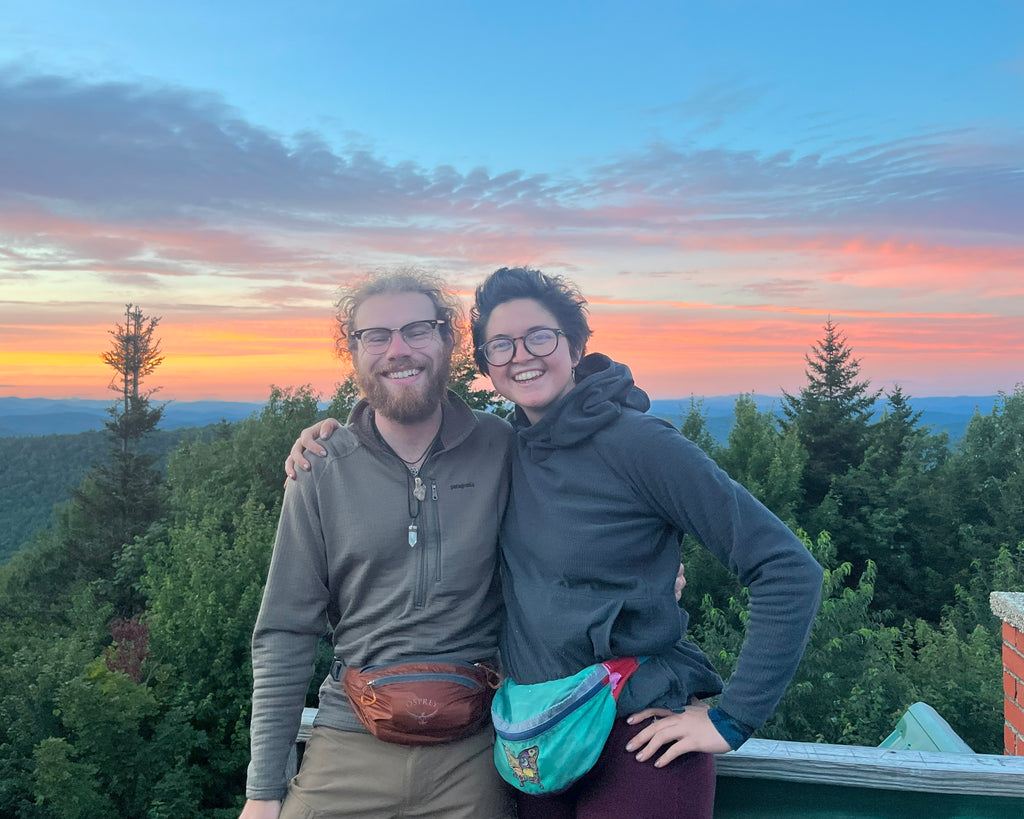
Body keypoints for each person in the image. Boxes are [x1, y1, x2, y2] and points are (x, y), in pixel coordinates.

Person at [289, 267, 823, 818]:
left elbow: (787, 568)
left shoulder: (640, 445)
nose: (523, 355)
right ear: (486, 364)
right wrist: (340, 438)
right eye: (501, 344)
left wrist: (733, 717)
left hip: (635, 741)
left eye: (540, 336)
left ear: (575, 344)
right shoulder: (505, 449)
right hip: (535, 743)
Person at [240, 270, 515, 819]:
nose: (398, 350)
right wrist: (263, 792)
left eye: (418, 330)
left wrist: (651, 565)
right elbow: (286, 631)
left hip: (475, 751)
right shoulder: (321, 468)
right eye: (376, 335)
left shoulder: (505, 449)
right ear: (354, 351)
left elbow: (583, 514)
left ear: (448, 341)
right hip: (348, 743)